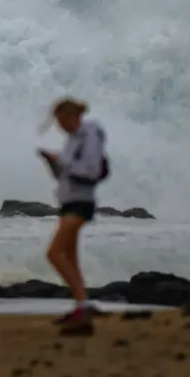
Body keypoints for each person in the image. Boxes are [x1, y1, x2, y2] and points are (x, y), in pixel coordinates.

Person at [38, 96, 109, 332]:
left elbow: (91, 170)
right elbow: (64, 176)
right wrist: (53, 163)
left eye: (61, 121)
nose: (60, 127)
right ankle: (81, 304)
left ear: (72, 116)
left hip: (81, 202)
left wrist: (63, 161)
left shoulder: (89, 135)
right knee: (70, 257)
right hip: (69, 200)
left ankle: (84, 303)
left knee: (54, 253)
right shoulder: (73, 139)